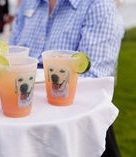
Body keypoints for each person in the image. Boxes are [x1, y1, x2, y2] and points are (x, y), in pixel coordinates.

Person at [9, 0, 124, 156]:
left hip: (72, 130)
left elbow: (91, 82)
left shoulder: (98, 6)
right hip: (19, 122)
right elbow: (11, 58)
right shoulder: (28, 4)